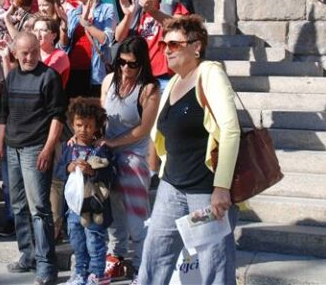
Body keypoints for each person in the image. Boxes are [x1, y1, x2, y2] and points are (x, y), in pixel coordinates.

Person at [137, 15, 241, 284]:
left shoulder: (210, 74)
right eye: (164, 44)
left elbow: (230, 130)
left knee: (214, 264)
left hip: (205, 190)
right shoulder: (173, 82)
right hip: (172, 185)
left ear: (196, 46)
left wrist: (222, 187)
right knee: (154, 254)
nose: (166, 50)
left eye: (174, 45)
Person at [0, 32, 67, 285]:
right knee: (18, 206)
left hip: (36, 148)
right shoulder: (11, 76)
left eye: (34, 51)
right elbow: (4, 114)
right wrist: (0, 146)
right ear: (15, 52)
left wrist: (47, 149)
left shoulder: (49, 77)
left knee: (39, 209)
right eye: (24, 53)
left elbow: (58, 116)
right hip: (12, 148)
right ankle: (27, 255)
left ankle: (47, 264)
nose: (29, 57)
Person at [100, 37, 159, 281]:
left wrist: (114, 142)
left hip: (134, 156)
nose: (125, 69)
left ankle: (142, 264)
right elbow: (102, 116)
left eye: (132, 64)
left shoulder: (149, 89)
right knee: (113, 215)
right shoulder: (109, 80)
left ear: (142, 63)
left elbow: (144, 128)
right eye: (121, 63)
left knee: (137, 216)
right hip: (109, 158)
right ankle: (117, 258)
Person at [56, 98, 113, 285]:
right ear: (72, 124)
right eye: (79, 125)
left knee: (94, 241)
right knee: (77, 241)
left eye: (88, 126)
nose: (83, 129)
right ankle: (80, 272)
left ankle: (97, 274)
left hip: (94, 206)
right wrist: (68, 167)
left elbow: (109, 174)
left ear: (96, 126)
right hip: (73, 207)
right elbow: (58, 171)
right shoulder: (68, 147)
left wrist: (92, 171)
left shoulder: (100, 149)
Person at [115, 0, 188, 89]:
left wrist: (152, 11)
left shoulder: (174, 6)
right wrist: (128, 15)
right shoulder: (138, 11)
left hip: (164, 76)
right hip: (139, 75)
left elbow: (179, 28)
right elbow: (119, 37)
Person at [61, 0, 115, 99]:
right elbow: (64, 45)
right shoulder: (73, 12)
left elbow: (106, 40)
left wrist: (86, 23)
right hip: (73, 69)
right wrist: (63, 26)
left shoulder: (107, 8)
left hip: (95, 71)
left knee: (93, 113)